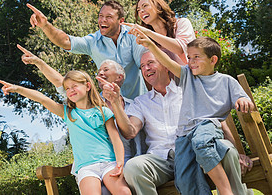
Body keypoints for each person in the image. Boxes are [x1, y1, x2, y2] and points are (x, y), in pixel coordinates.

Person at [97, 50, 253, 194]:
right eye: (142, 66)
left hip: (193, 155)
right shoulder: (141, 102)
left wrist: (239, 152)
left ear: (166, 65)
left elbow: (220, 123)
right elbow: (130, 132)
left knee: (226, 150)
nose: (146, 69)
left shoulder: (187, 92)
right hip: (161, 160)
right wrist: (116, 102)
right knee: (133, 167)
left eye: (150, 63)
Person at [0, 70, 131, 195]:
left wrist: (119, 163)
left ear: (88, 86)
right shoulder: (68, 113)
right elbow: (43, 99)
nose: (70, 90)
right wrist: (17, 88)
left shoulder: (104, 111)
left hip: (109, 163)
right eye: (67, 88)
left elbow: (115, 139)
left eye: (74, 85)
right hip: (86, 168)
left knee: (124, 192)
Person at [17, 44, 140, 162]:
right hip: (90, 166)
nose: (100, 73)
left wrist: (116, 103)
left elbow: (129, 133)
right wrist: (39, 62)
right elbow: (60, 81)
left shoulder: (134, 106)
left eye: (106, 69)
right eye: (99, 71)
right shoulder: (86, 100)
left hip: (123, 163)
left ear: (119, 77)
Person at [27, 0, 146, 100]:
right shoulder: (92, 41)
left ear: (121, 21)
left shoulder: (133, 35)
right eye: (100, 16)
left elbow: (145, 64)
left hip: (140, 102)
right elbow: (66, 41)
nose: (102, 20)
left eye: (108, 17)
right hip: (110, 105)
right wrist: (45, 25)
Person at [124, 0, 195, 64]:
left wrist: (147, 32)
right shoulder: (149, 40)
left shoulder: (182, 23)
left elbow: (179, 49)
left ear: (158, 6)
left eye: (145, 6)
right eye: (138, 10)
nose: (141, 11)